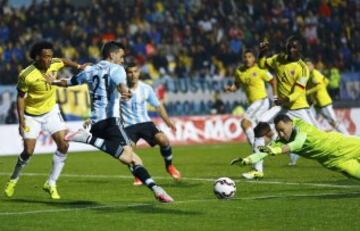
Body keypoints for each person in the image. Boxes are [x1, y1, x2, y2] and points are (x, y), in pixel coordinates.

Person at [52, 41, 174, 203]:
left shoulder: (90, 70)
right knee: (127, 157)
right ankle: (85, 138)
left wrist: (51, 81)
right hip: (111, 122)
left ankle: (156, 190)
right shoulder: (117, 69)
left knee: (135, 160)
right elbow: (122, 86)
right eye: (121, 56)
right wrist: (126, 93)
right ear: (112, 55)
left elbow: (68, 83)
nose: (123, 60)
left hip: (96, 124)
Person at [4, 41, 86, 199]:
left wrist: (78, 66)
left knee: (64, 144)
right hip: (31, 115)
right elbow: (20, 98)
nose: (49, 59)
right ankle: (13, 179)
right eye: (45, 57)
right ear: (37, 57)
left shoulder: (54, 63)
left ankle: (51, 182)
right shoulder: (26, 75)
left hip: (50, 111)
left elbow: (64, 60)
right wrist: (21, 122)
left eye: (50, 56)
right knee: (28, 151)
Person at [242, 36, 320, 180]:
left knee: (317, 141)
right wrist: (262, 53)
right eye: (289, 46)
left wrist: (285, 99)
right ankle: (257, 170)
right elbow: (261, 64)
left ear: (300, 49)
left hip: (298, 108)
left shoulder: (302, 69)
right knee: (259, 129)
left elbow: (298, 92)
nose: (291, 49)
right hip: (282, 107)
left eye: (294, 47)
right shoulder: (279, 59)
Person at [232, 114, 360, 180]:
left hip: (344, 145)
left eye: (283, 130)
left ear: (291, 124)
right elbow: (263, 152)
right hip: (333, 161)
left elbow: (297, 143)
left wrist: (276, 150)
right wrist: (247, 160)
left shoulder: (301, 126)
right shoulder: (281, 139)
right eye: (278, 131)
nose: (281, 134)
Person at [121, 62, 181, 186]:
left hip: (145, 123)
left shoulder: (146, 88)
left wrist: (168, 122)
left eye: (135, 71)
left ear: (139, 73)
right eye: (130, 72)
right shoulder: (119, 89)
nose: (133, 75)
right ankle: (138, 174)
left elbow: (158, 106)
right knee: (127, 151)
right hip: (128, 126)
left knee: (163, 139)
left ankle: (169, 166)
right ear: (126, 74)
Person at [224, 50, 275, 177]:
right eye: (245, 57)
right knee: (264, 131)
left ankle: (255, 152)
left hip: (262, 101)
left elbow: (273, 81)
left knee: (245, 122)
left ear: (254, 59)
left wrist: (275, 97)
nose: (247, 59)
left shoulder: (260, 69)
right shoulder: (239, 71)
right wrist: (231, 89)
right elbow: (237, 84)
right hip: (254, 104)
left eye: (250, 57)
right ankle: (278, 142)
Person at [305, 59, 348, 134]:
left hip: (324, 102)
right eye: (306, 65)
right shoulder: (310, 75)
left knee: (333, 121)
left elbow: (319, 86)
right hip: (317, 103)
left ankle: (347, 136)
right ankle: (319, 135)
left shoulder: (315, 74)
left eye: (308, 65)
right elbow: (326, 81)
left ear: (312, 65)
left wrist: (308, 92)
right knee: (313, 120)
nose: (307, 67)